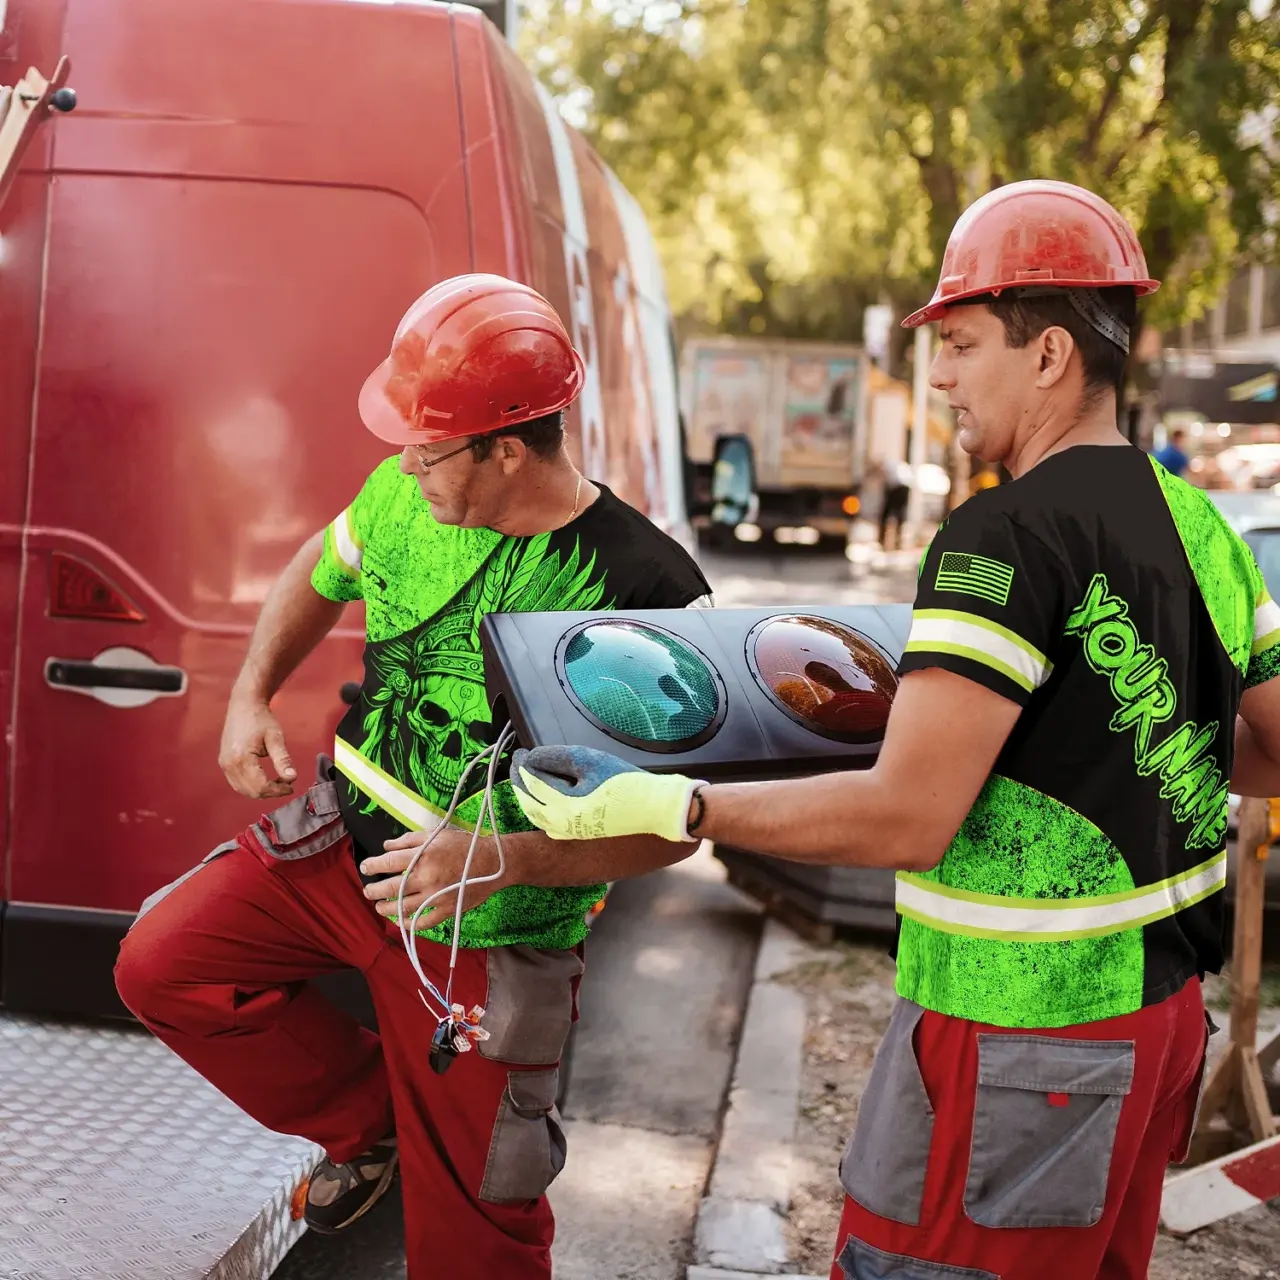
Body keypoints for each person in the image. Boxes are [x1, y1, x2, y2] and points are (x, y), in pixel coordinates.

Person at [406, 184, 1280, 1280]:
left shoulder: (1000, 538)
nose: (941, 376)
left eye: (960, 343)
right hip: (1160, 1024)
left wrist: (675, 803)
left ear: (1050, 353)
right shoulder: (1200, 525)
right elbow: (1267, 748)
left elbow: (905, 817)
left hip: (1016, 1032)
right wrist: (1105, 749)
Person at [114, 274, 710, 1280]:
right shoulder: (402, 494)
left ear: (507, 448)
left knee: (477, 1236)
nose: (404, 465)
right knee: (162, 964)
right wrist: (251, 692)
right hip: (336, 853)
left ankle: (437, 1138)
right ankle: (380, 1120)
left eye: (428, 448)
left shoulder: (651, 591)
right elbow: (323, 563)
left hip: (494, 923)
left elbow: (676, 826)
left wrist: (504, 857)